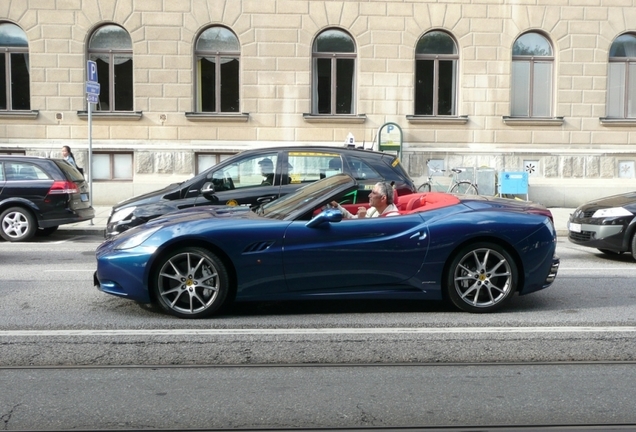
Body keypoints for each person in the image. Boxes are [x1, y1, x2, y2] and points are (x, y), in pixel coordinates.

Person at [331, 181, 399, 218]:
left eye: (374, 193)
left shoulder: (392, 218)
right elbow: (353, 218)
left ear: (383, 198)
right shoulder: (374, 209)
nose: (369, 195)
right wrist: (337, 207)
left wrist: (362, 219)